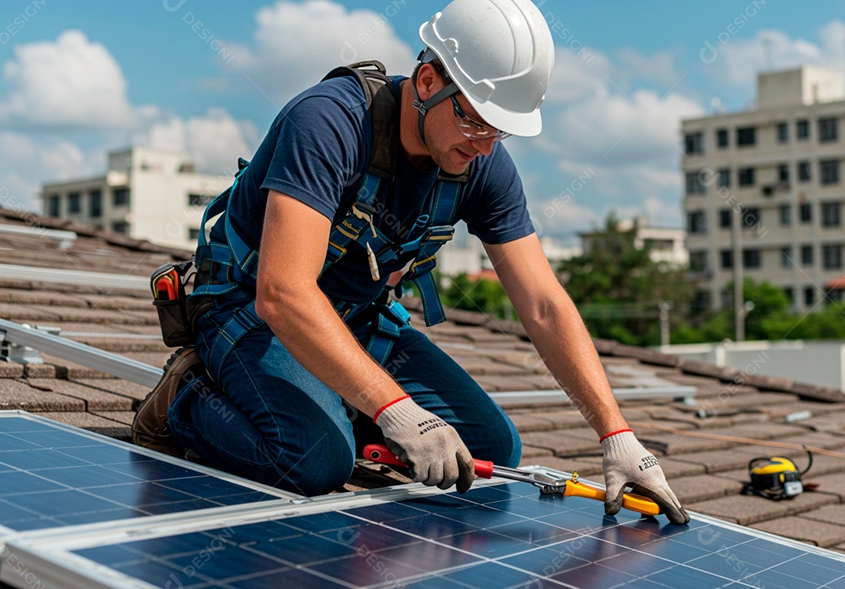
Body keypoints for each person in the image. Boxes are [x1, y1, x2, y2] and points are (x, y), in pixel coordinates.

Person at [135, 0, 688, 524]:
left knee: (492, 448)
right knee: (315, 461)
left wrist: (616, 435)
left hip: (354, 321)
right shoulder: (329, 122)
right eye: (475, 121)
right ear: (427, 82)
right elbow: (283, 294)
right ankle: (186, 399)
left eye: (498, 129)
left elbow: (543, 304)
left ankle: (340, 402)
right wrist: (397, 411)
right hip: (249, 309)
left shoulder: (479, 161)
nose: (486, 146)